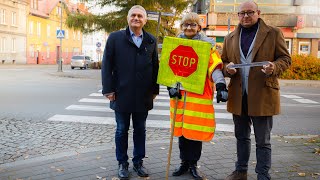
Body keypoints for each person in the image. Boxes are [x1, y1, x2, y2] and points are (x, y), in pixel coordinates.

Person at [221, 1, 291, 180]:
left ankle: (262, 175)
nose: (245, 16)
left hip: (263, 94)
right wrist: (226, 68)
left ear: (258, 13)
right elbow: (222, 62)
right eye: (242, 13)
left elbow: (285, 59)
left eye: (250, 12)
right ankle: (241, 171)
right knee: (241, 137)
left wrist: (274, 67)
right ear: (238, 15)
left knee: (263, 141)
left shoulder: (273, 33)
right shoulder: (230, 38)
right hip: (238, 95)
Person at [101, 5, 159, 180]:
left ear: (145, 20)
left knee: (140, 129)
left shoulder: (150, 40)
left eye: (140, 16)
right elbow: (107, 65)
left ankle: (138, 162)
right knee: (121, 130)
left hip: (143, 95)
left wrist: (155, 89)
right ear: (128, 18)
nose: (136, 18)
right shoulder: (115, 38)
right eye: (133, 15)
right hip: (121, 93)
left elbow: (155, 66)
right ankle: (122, 164)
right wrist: (108, 89)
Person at [168, 12, 228, 180]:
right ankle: (183, 163)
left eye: (193, 25)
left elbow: (214, 68)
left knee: (195, 133)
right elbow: (169, 70)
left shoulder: (207, 47)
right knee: (182, 132)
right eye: (186, 25)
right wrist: (170, 87)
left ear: (199, 28)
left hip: (198, 98)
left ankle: (193, 164)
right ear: (181, 27)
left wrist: (221, 84)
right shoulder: (175, 45)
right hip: (180, 98)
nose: (189, 28)